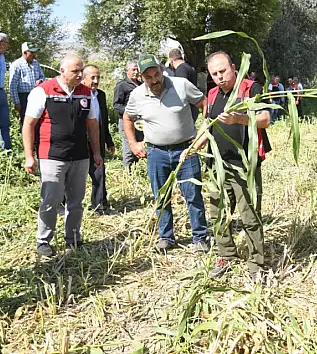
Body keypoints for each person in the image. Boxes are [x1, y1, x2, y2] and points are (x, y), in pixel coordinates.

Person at [191, 51, 272, 280]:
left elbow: (265, 119)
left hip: (245, 165)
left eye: (223, 71)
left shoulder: (250, 89)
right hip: (218, 164)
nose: (220, 77)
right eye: (215, 73)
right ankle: (226, 256)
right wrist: (193, 148)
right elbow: (208, 126)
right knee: (218, 214)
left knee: (250, 216)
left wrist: (239, 119)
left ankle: (256, 264)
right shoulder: (213, 94)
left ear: (234, 67)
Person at [122, 55, 209, 252]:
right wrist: (133, 143)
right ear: (142, 77)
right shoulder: (137, 95)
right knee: (161, 196)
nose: (154, 80)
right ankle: (166, 237)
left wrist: (203, 133)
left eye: (156, 74)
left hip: (186, 150)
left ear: (162, 69)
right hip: (156, 153)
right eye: (148, 77)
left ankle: (200, 237)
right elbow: (127, 118)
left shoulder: (181, 85)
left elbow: (205, 104)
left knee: (192, 194)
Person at [22, 55, 102, 257]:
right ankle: (43, 240)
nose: (80, 74)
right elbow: (28, 125)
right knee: (51, 199)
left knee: (76, 200)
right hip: (52, 155)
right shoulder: (43, 91)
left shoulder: (86, 93)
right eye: (76, 71)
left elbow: (92, 124)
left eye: (81, 70)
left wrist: (97, 153)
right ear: (62, 71)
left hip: (80, 156)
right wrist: (29, 156)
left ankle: (73, 238)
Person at [83, 65, 115, 215]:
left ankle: (100, 205)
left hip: (98, 140)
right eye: (92, 77)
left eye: (98, 77)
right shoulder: (79, 94)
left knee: (99, 171)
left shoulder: (101, 95)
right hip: (81, 140)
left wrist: (109, 141)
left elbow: (104, 120)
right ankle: (63, 204)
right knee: (73, 174)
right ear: (84, 77)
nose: (96, 81)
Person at [113, 60, 143, 169]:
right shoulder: (122, 85)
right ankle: (127, 174)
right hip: (127, 121)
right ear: (127, 71)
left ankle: (138, 171)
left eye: (137, 69)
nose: (136, 72)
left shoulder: (141, 85)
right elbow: (116, 105)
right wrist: (129, 112)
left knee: (140, 146)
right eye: (133, 69)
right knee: (129, 148)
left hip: (140, 122)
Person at [9, 42, 45, 127]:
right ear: (25, 53)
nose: (34, 54)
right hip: (24, 97)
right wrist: (16, 102)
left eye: (34, 52)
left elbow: (42, 76)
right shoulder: (17, 65)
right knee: (26, 121)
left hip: (36, 95)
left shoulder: (36, 63)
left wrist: (40, 80)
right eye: (32, 52)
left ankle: (36, 140)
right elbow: (13, 85)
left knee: (38, 119)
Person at [168, 48, 199, 122]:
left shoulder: (181, 70)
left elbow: (180, 90)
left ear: (171, 60)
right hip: (193, 106)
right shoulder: (189, 68)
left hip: (187, 109)